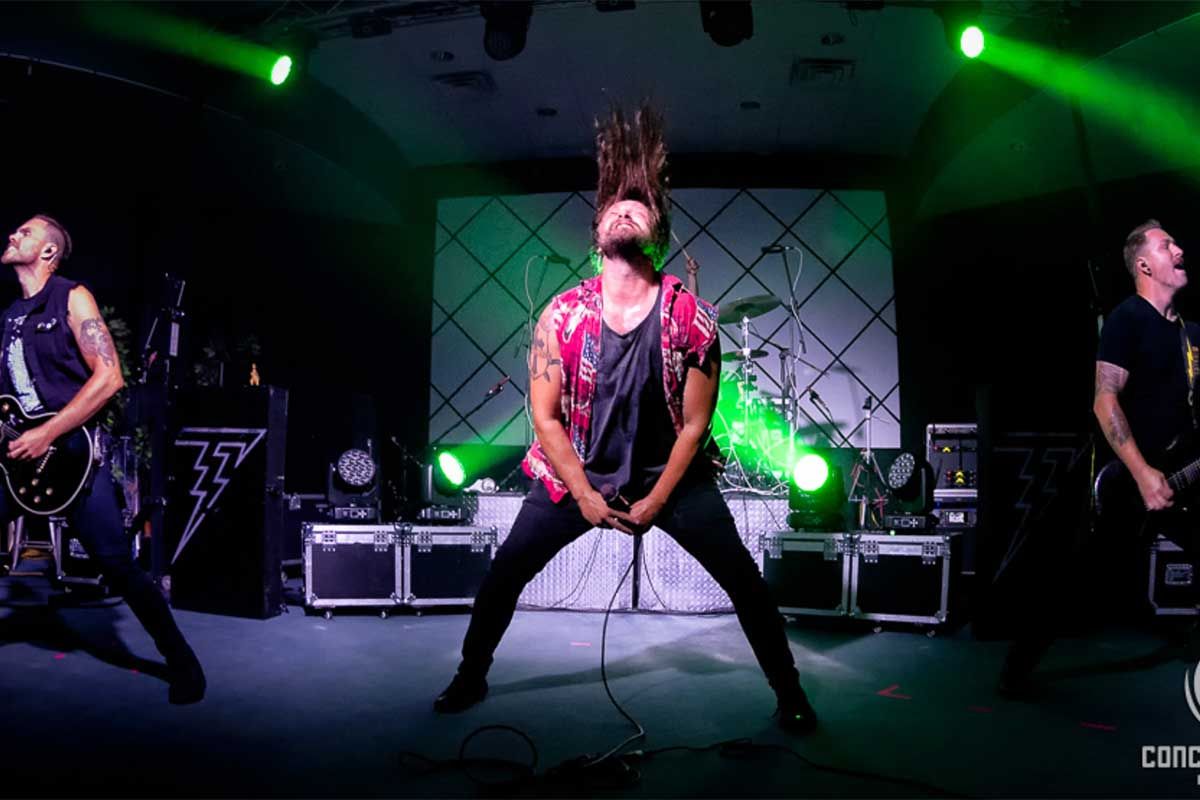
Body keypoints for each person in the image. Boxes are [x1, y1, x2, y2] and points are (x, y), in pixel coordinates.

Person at [433, 106, 817, 734]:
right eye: (614, 208)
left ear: (658, 236)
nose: (623, 211)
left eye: (638, 208)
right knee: (505, 574)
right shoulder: (561, 315)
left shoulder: (693, 318)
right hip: (576, 477)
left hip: (672, 480)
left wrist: (656, 501)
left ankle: (790, 691)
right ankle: (469, 676)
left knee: (744, 580)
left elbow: (695, 426)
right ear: (597, 233)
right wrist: (584, 495)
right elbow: (544, 416)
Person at [0, 214, 205, 704]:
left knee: (117, 564)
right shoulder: (10, 316)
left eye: (25, 233)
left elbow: (110, 377)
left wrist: (48, 433)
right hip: (18, 460)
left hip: (72, 458)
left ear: (48, 252)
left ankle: (183, 663)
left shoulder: (71, 297)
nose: (12, 235)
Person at [998, 218, 1193, 695]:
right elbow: (1105, 401)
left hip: (1181, 476)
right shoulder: (1129, 319)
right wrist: (1143, 474)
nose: (1180, 250)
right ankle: (1017, 668)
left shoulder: (1191, 335)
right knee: (1082, 581)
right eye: (1167, 246)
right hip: (1130, 483)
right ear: (1143, 264)